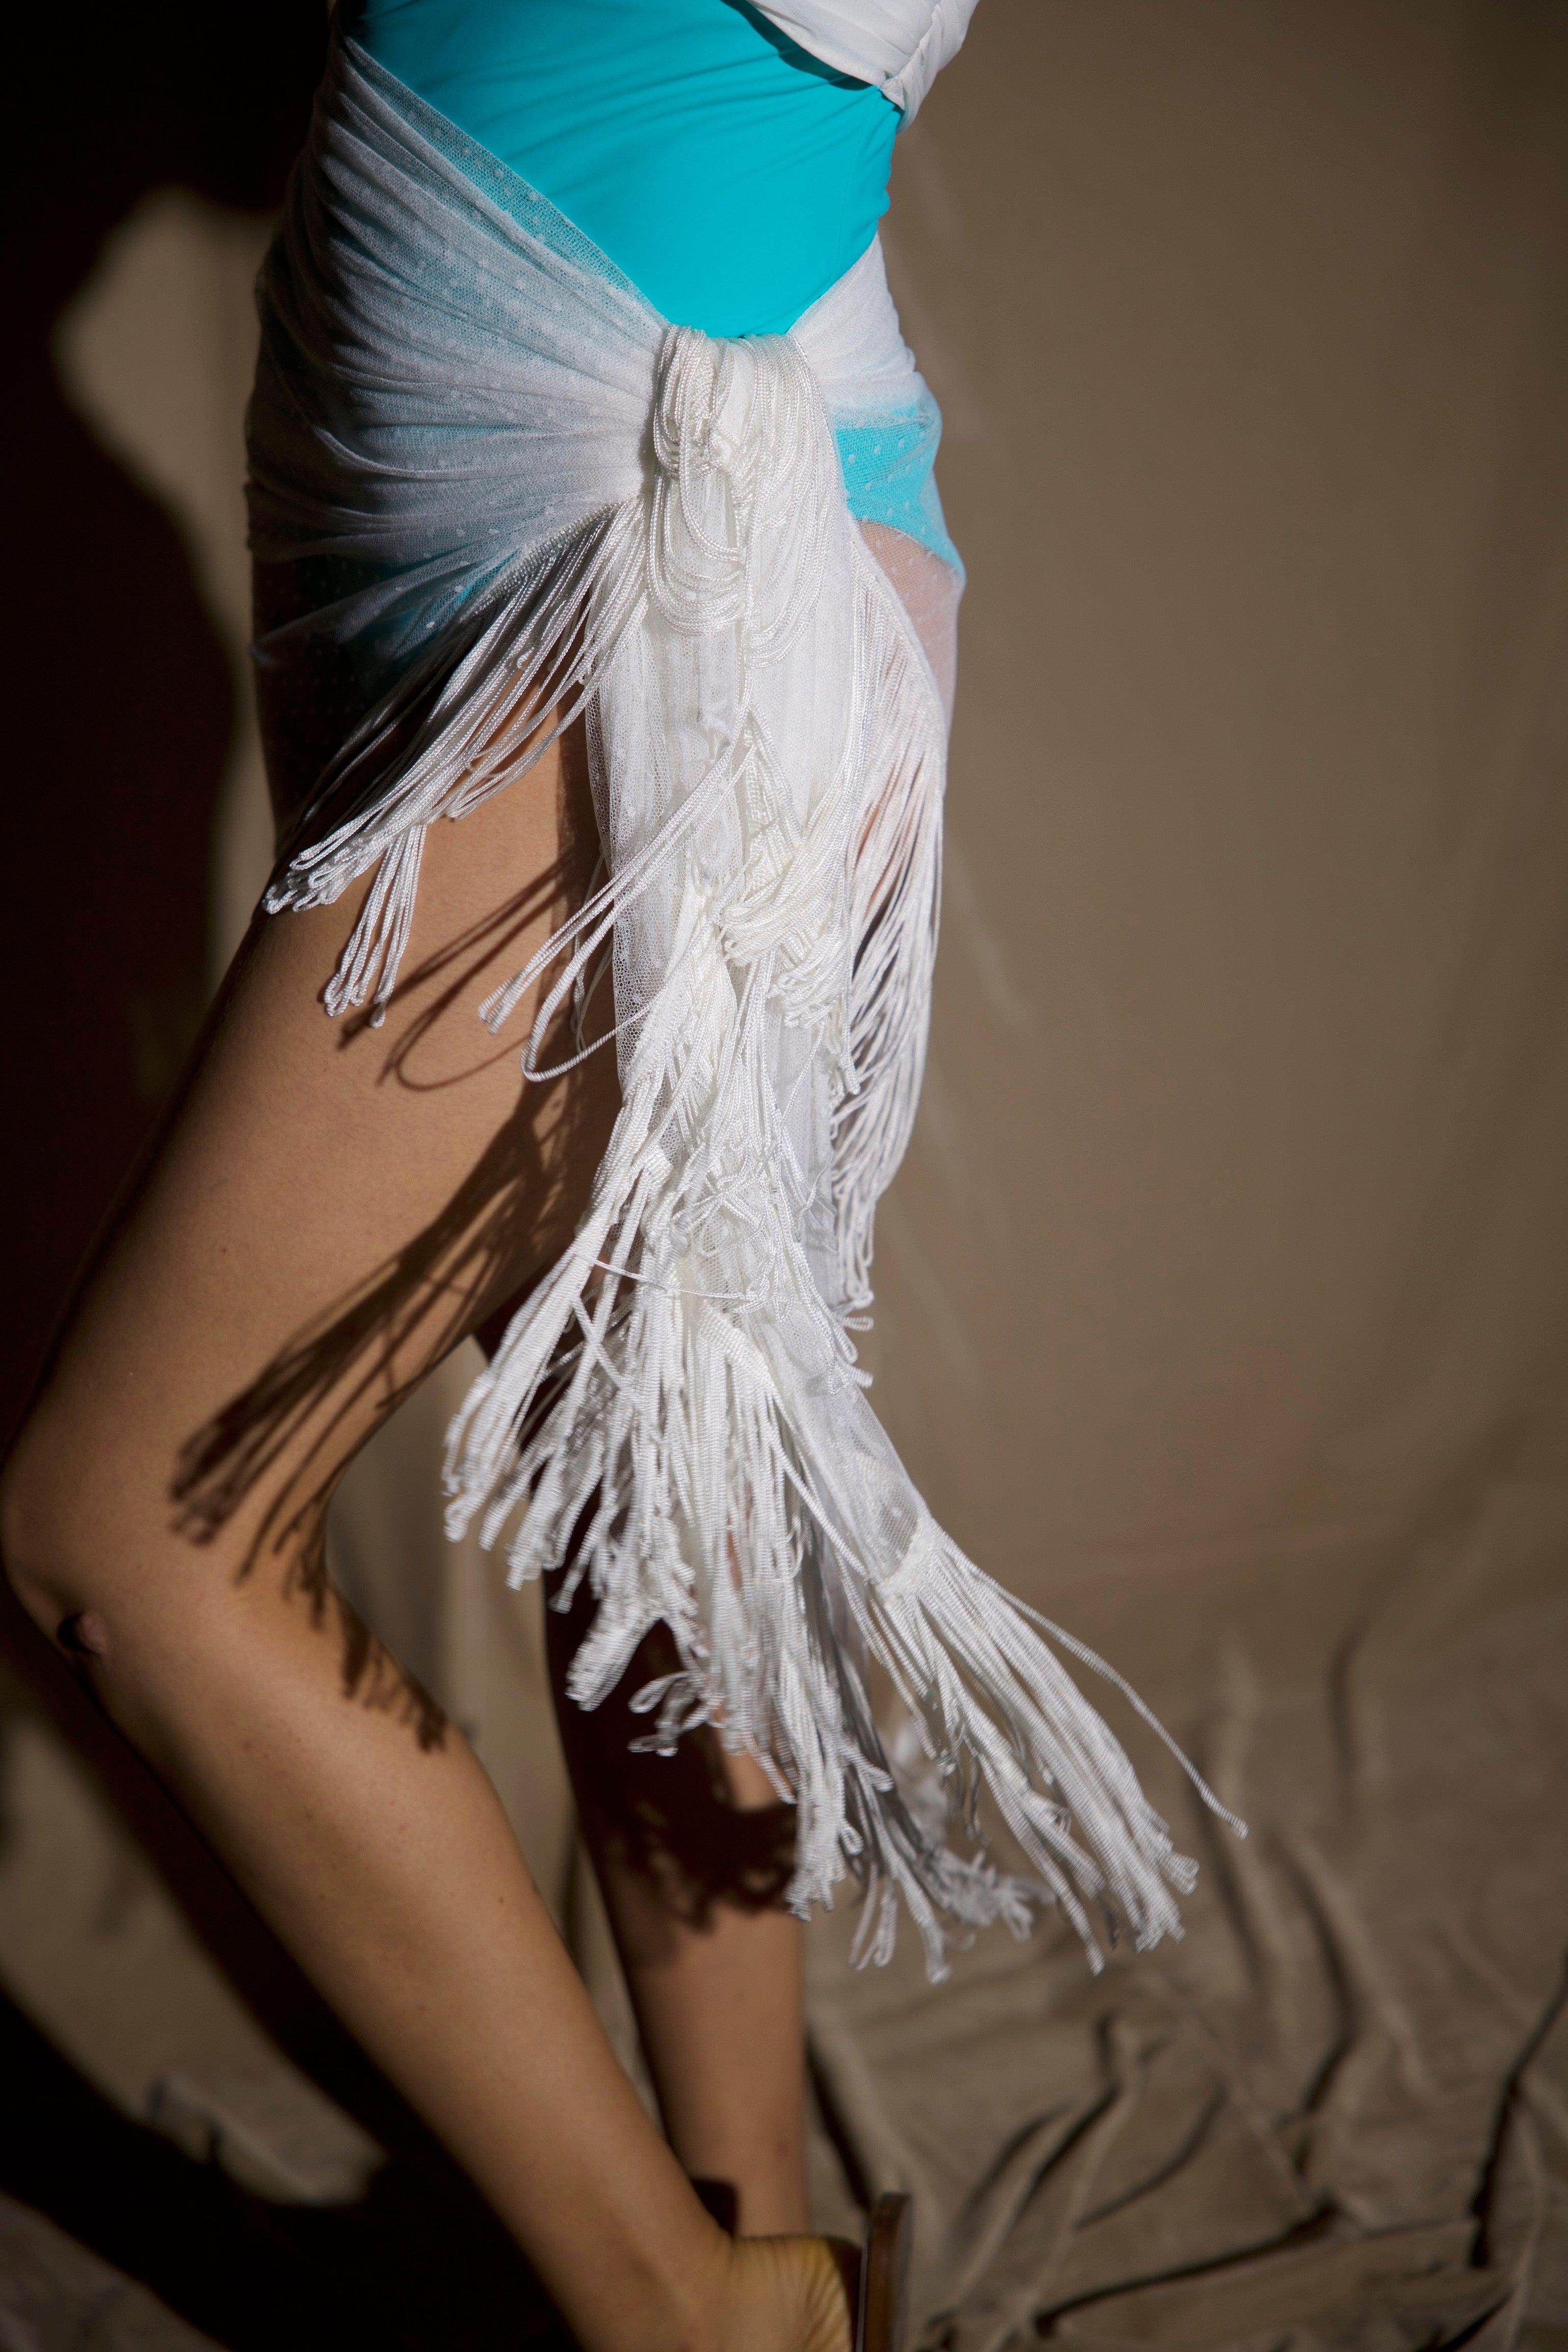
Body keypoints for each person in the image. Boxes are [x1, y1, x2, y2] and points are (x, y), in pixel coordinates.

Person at [2, 6, 1234, 2347]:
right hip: (411, 472)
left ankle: (682, 2313)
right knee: (627, 1466)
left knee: (129, 1532)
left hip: (643, 524)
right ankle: (752, 2230)